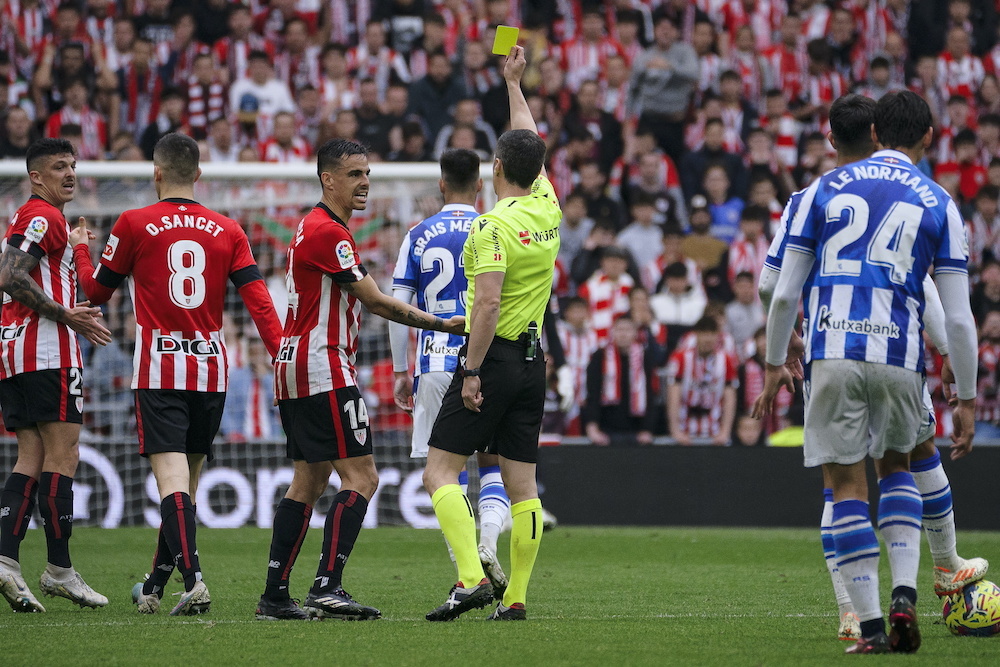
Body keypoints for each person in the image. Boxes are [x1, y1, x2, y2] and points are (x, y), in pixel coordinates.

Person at [754, 91, 981, 654]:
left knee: (843, 486)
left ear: (837, 139)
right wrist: (966, 389)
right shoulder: (936, 199)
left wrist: (776, 359)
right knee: (902, 463)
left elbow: (776, 290)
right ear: (927, 136)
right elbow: (953, 309)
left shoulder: (817, 194)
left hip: (830, 347)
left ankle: (863, 619)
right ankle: (923, 581)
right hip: (901, 353)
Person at [71, 133, 283, 616]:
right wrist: (281, 356)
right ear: (200, 175)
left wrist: (82, 248)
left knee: (171, 484)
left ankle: (194, 581)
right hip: (212, 370)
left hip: (159, 367)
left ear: (156, 173)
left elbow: (94, 293)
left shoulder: (133, 222)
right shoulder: (228, 229)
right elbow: (259, 304)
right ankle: (154, 586)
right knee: (185, 485)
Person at [256, 138, 465, 621]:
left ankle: (274, 594)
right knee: (363, 477)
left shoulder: (312, 227)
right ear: (328, 179)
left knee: (307, 481)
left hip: (295, 364)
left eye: (367, 172)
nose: (364, 181)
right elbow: (377, 301)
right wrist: (442, 323)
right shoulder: (329, 232)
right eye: (353, 174)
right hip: (323, 364)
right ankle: (327, 586)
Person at [421, 45, 559, 622]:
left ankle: (473, 578)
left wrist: (471, 370)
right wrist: (514, 85)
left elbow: (487, 302)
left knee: (439, 471)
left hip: (494, 358)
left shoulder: (491, 225)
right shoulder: (548, 205)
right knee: (523, 484)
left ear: (495, 171)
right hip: (534, 362)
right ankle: (518, 597)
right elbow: (527, 138)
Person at [388, 147, 513, 595]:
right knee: (494, 464)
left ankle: (467, 573)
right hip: (489, 360)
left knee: (445, 473)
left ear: (441, 184)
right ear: (480, 184)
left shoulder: (418, 234)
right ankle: (488, 545)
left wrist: (401, 370)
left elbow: (399, 305)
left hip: (435, 361)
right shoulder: (495, 227)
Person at [0, 138, 112, 613]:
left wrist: (79, 251)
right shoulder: (41, 216)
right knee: (63, 456)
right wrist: (67, 316)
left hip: (17, 349)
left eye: (72, 165)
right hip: (46, 349)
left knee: (32, 456)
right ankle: (60, 570)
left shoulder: (49, 221)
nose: (69, 173)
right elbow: (8, 274)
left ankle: (5, 562)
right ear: (36, 177)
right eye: (58, 167)